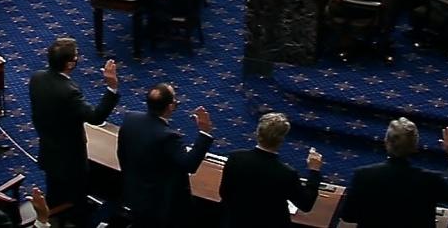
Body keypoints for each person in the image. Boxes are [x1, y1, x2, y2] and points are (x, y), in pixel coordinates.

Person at [28, 38, 119, 223]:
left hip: (48, 150)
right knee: (78, 200)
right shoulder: (68, 91)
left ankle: (53, 214)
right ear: (70, 64)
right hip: (70, 159)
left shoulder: (36, 78)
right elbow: (95, 117)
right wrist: (112, 87)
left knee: (54, 191)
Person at [340, 118, 448, 227]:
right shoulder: (431, 180)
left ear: (386, 142)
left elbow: (348, 216)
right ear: (415, 146)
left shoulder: (363, 175)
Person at [117, 83, 214, 227]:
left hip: (132, 189)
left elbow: (121, 153)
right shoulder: (169, 137)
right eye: (175, 100)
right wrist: (204, 133)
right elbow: (189, 165)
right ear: (170, 107)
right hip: (160, 203)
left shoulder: (130, 118)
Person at [219, 113, 323, 228]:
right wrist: (314, 171)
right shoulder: (287, 173)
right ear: (281, 140)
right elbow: (306, 204)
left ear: (257, 133)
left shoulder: (235, 158)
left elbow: (224, 193)